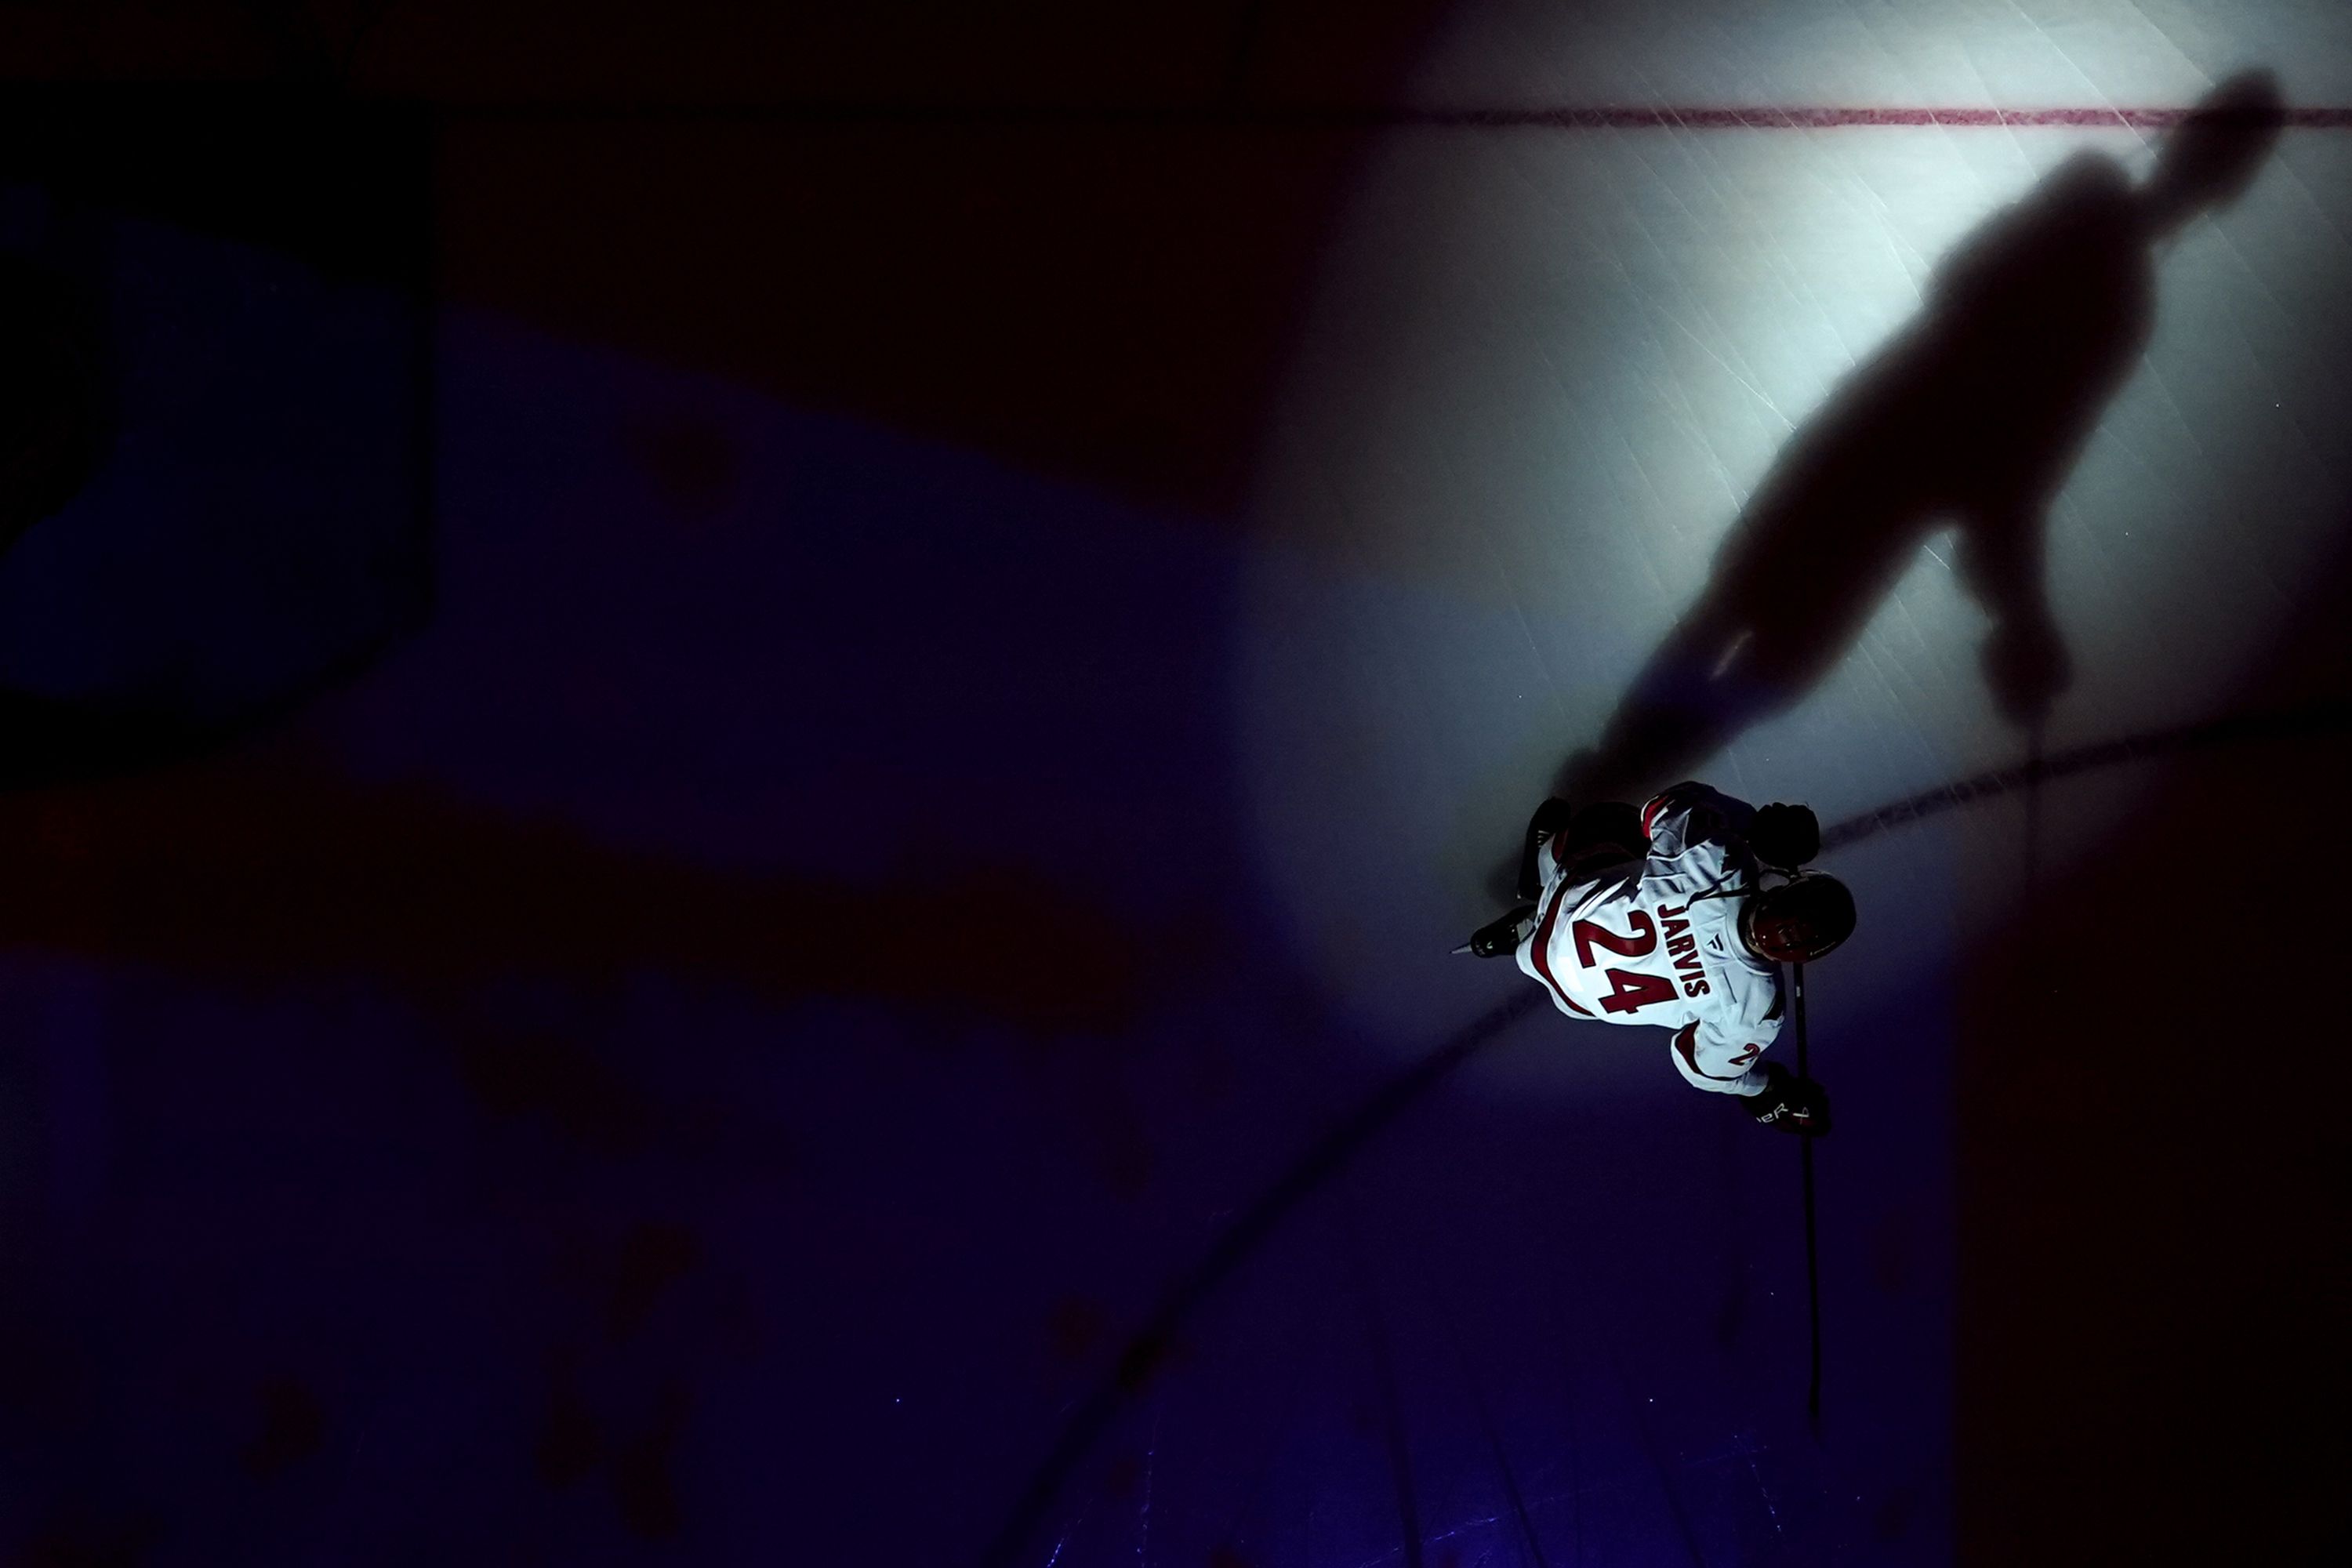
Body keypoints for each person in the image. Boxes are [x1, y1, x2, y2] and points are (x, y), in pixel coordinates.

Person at [1468, 784, 1853, 1136]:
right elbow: (1699, 1066)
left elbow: (1663, 807)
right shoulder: (1756, 1011)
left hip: (1562, 916)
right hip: (1578, 1000)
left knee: (1612, 821)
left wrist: (1757, 826)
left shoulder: (1720, 863)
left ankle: (1540, 870)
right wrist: (1771, 1092)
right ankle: (1521, 935)